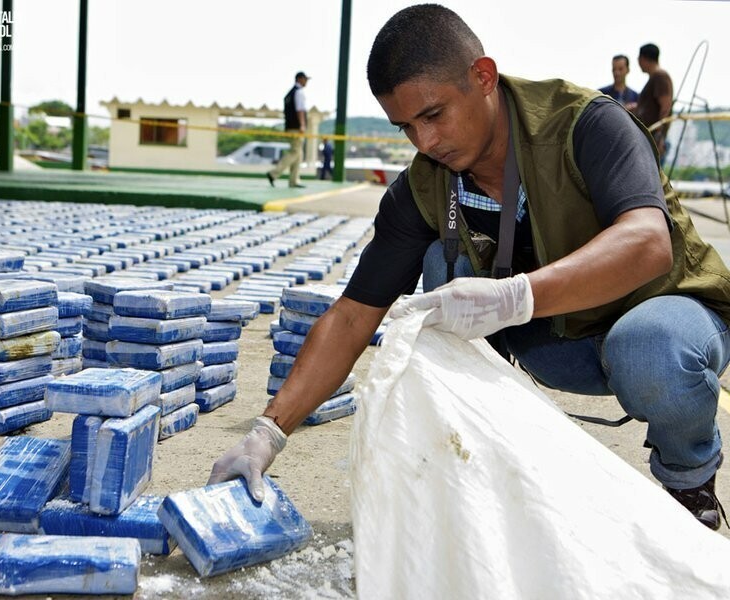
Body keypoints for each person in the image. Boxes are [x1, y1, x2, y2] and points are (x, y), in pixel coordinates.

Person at [210, 4, 730, 531]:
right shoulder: (424, 185)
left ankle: (690, 482)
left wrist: (513, 297)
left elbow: (647, 244)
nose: (425, 142)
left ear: (483, 76)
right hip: (561, 344)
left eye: (433, 115)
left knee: (647, 348)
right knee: (443, 265)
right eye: (406, 127)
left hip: (663, 316)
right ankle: (485, 472)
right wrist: (266, 435)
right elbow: (352, 315)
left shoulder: (585, 123)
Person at [267, 71, 309, 189]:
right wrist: (302, 125)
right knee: (295, 152)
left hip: (289, 127)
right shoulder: (299, 92)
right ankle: (274, 173)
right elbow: (300, 110)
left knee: (298, 153)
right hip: (296, 128)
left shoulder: (289, 94)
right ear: (300, 79)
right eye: (305, 79)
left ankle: (294, 180)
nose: (306, 82)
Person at [633, 43, 674, 159]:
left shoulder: (660, 76)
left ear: (643, 59)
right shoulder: (655, 77)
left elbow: (665, 107)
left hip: (655, 141)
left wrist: (659, 138)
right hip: (649, 140)